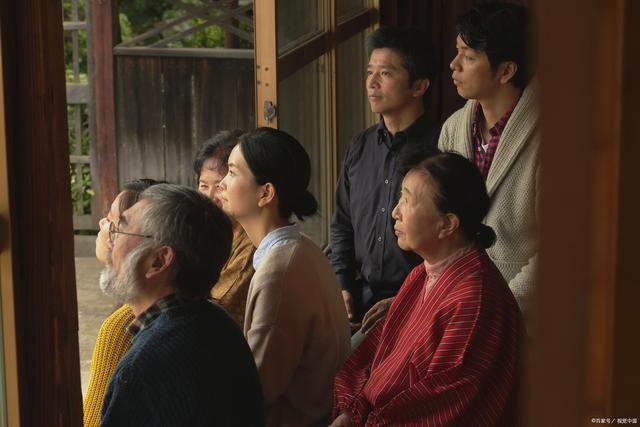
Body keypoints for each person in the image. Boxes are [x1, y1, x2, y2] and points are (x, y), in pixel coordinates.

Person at [331, 152, 522, 426]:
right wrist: (350, 414)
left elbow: (443, 409)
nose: (395, 212)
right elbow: (378, 360)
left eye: (407, 201)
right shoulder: (421, 274)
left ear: (447, 224)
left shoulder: (474, 301)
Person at [100, 184, 264, 426]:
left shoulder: (148, 363)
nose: (109, 242)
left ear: (159, 261)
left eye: (118, 230)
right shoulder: (219, 324)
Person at [218, 127, 350, 426]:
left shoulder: (279, 272)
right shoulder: (300, 249)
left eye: (232, 172)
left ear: (265, 193)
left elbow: (255, 391)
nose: (222, 183)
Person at [329, 26, 440, 334]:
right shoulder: (360, 145)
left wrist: (414, 298)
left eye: (386, 73)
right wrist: (342, 285)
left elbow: (452, 242)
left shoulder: (441, 147)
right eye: (370, 72)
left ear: (419, 86)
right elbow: (342, 224)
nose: (371, 82)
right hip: (359, 302)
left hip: (419, 306)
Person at [439, 2, 537, 325]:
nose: (454, 65)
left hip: (520, 317)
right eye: (457, 52)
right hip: (455, 303)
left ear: (506, 71)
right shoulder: (453, 129)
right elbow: (441, 225)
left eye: (468, 57)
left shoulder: (550, 139)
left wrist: (498, 313)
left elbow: (558, 250)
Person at [84, 178, 163, 427]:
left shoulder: (121, 328)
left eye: (112, 222)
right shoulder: (199, 310)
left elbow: (92, 422)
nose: (102, 226)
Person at [194, 129, 255, 327]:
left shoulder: (252, 240)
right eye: (203, 186)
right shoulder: (202, 229)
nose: (210, 197)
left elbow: (221, 306)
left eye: (219, 185)